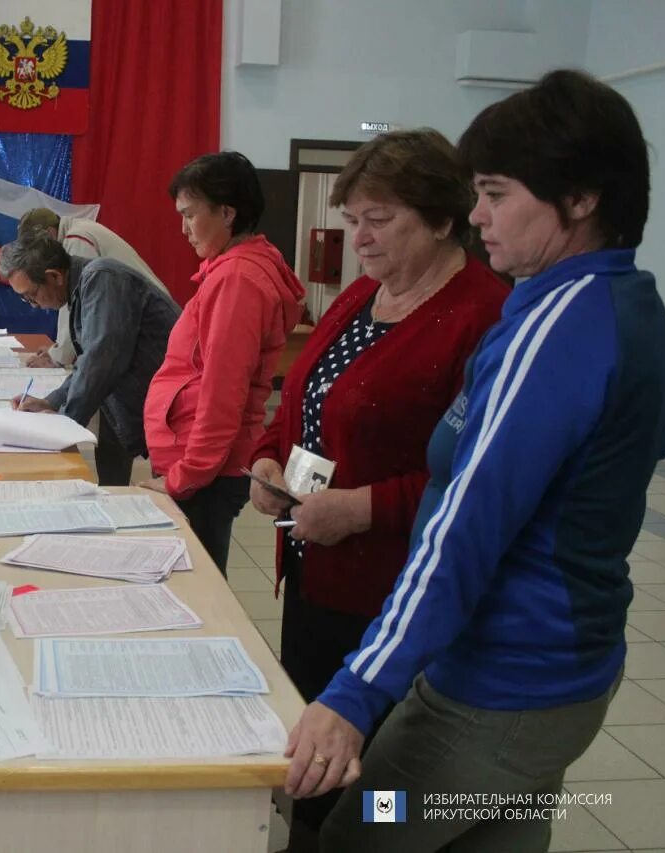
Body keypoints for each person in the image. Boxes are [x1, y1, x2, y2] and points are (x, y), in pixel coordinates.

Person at [284, 70, 665, 853]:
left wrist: (356, 692)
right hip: (568, 669)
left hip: (500, 684)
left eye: (497, 194)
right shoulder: (627, 301)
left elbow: (460, 529)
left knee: (362, 830)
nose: (478, 216)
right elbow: (657, 421)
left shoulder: (552, 329)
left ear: (582, 198)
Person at [246, 129, 508, 851]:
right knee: (315, 754)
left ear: (443, 218)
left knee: (382, 787)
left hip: (397, 591)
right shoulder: (363, 293)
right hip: (315, 572)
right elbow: (302, 399)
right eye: (352, 217)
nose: (358, 236)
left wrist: (362, 507)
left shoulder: (484, 315)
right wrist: (271, 461)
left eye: (380, 218)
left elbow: (477, 474)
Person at [141, 151, 306, 572]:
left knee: (196, 588)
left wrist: (183, 478)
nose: (183, 229)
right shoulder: (234, 269)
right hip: (203, 469)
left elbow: (222, 392)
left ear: (227, 212)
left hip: (205, 475)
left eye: (190, 215)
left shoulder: (238, 280)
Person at [0, 235, 180, 486]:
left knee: (190, 514)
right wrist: (50, 402)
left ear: (54, 277)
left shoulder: (102, 278)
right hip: (161, 413)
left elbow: (100, 360)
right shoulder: (83, 285)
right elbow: (89, 360)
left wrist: (63, 425)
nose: (35, 306)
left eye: (32, 295)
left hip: (182, 415)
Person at [16, 207, 169, 368]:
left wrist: (58, 357)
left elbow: (77, 299)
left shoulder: (76, 240)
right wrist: (58, 350)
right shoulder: (76, 231)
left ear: (50, 234)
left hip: (152, 325)